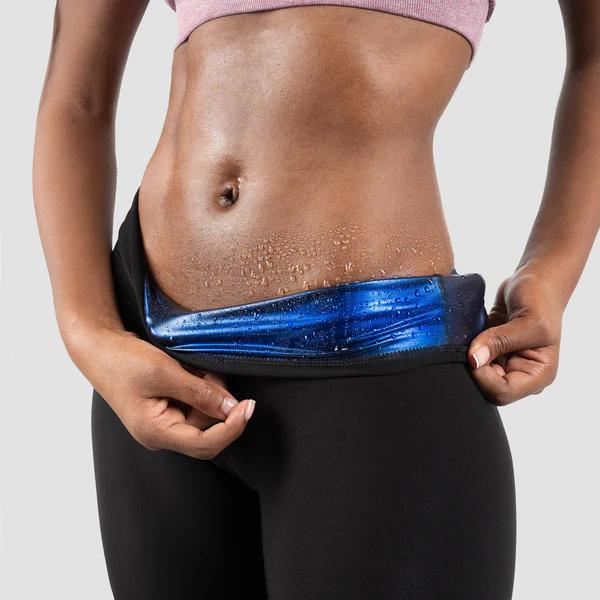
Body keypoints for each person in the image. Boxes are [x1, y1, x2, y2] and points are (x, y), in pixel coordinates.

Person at [32, 1, 600, 599]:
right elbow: (78, 94)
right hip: (152, 364)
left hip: (378, 373)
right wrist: (90, 333)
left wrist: (550, 270)